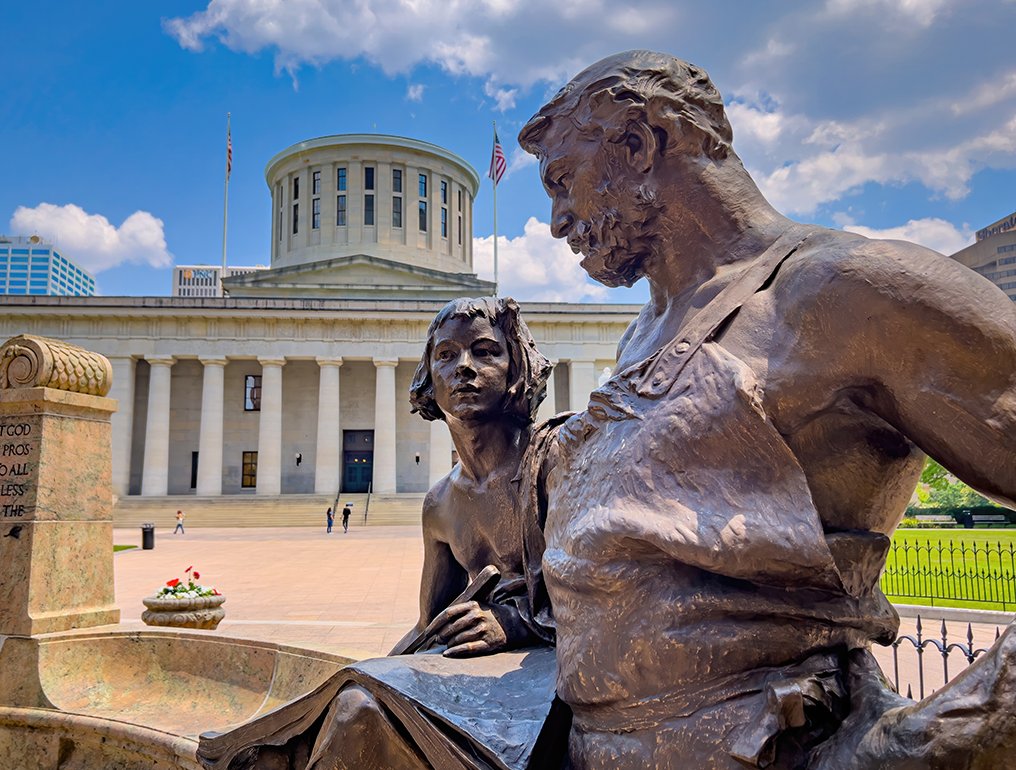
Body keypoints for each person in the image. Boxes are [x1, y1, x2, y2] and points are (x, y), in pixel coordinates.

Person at [516, 50, 1016, 769]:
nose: (559, 221)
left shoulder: (853, 292)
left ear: (638, 145)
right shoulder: (640, 338)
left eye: (563, 183)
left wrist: (937, 744)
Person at [198, 297, 563, 770]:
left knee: (356, 715)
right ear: (428, 378)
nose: (464, 368)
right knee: (334, 714)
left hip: (540, 671)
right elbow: (429, 625)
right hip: (480, 668)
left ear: (517, 366)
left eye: (486, 352)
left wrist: (513, 623)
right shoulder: (440, 503)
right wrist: (373, 672)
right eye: (447, 355)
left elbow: (614, 589)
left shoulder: (554, 461)